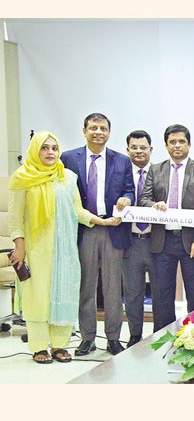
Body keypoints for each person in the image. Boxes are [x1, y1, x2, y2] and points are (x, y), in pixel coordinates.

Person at [8, 132, 118, 363]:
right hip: (36, 249)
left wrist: (102, 221)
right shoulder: (22, 177)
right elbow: (15, 217)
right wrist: (19, 246)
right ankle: (39, 347)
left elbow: (77, 210)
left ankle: (59, 345)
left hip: (65, 248)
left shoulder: (67, 177)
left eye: (54, 148)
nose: (50, 152)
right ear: (35, 150)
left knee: (65, 291)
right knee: (38, 296)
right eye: (44, 148)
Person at [60, 112, 135, 356]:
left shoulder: (122, 160)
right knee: (86, 287)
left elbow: (130, 190)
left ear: (109, 133)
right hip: (84, 229)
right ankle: (87, 338)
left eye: (103, 128)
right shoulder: (68, 158)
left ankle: (113, 338)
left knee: (113, 289)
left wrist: (127, 199)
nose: (98, 132)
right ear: (84, 131)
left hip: (113, 228)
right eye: (93, 128)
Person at [138, 124, 194, 332]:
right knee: (162, 295)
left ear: (189, 144)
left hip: (191, 242)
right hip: (162, 240)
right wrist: (154, 205)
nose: (177, 145)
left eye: (181, 141)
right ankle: (163, 338)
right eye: (172, 142)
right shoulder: (156, 169)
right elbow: (143, 199)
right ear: (166, 145)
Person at [122, 130, 155, 347]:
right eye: (134, 148)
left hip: (156, 241)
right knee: (132, 293)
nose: (139, 151)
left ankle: (160, 334)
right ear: (127, 150)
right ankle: (135, 335)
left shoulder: (160, 172)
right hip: (130, 241)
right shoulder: (121, 174)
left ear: (151, 150)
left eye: (143, 147)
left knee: (161, 293)